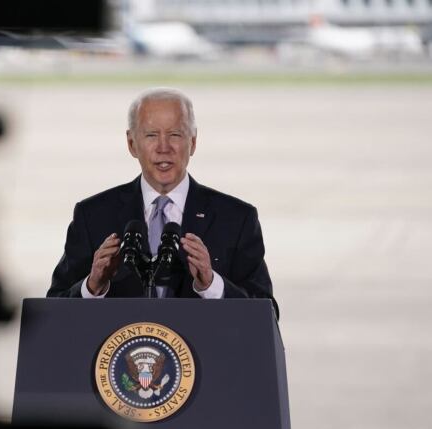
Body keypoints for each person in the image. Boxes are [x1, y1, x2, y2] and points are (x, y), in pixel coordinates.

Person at [47, 87, 277, 317]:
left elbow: (267, 314)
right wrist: (92, 286)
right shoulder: (93, 216)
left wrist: (211, 284)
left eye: (175, 135)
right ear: (131, 144)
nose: (163, 148)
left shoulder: (236, 218)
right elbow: (54, 312)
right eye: (151, 135)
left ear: (193, 142)